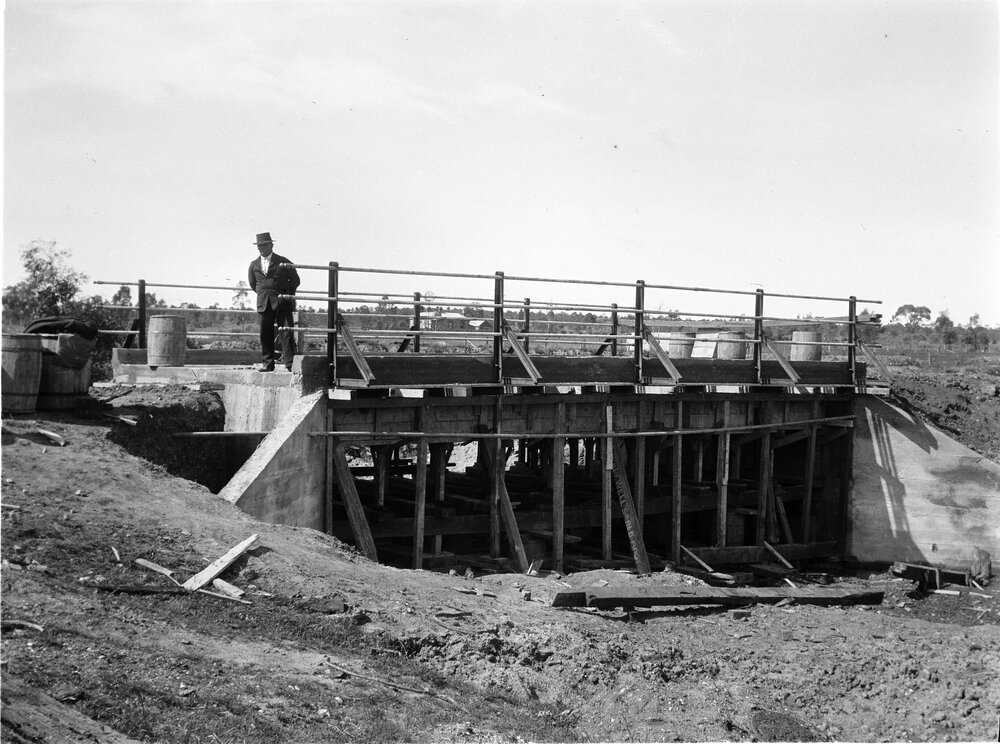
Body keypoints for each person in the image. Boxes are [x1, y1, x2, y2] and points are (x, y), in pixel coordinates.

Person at [248, 232, 300, 371]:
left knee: (286, 332)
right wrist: (264, 294)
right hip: (264, 303)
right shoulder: (254, 265)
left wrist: (286, 295)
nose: (261, 248)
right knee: (265, 334)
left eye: (264, 245)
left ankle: (290, 364)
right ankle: (268, 364)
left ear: (271, 245)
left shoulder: (283, 262)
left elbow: (295, 280)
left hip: (282, 303)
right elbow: (253, 284)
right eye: (259, 246)